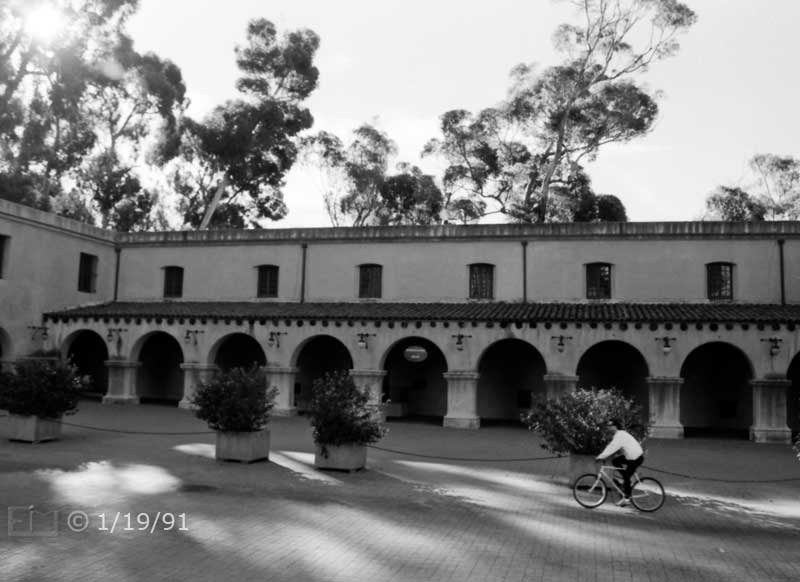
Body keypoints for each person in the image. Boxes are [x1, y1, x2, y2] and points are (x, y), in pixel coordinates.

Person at [595, 418, 644, 506]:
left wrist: (600, 457)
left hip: (636, 458)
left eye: (610, 426)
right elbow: (615, 448)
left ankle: (627, 498)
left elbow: (612, 447)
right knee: (616, 461)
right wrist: (607, 456)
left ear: (615, 427)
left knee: (626, 477)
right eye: (607, 426)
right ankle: (625, 481)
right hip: (631, 457)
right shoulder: (619, 434)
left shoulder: (620, 435)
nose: (608, 427)